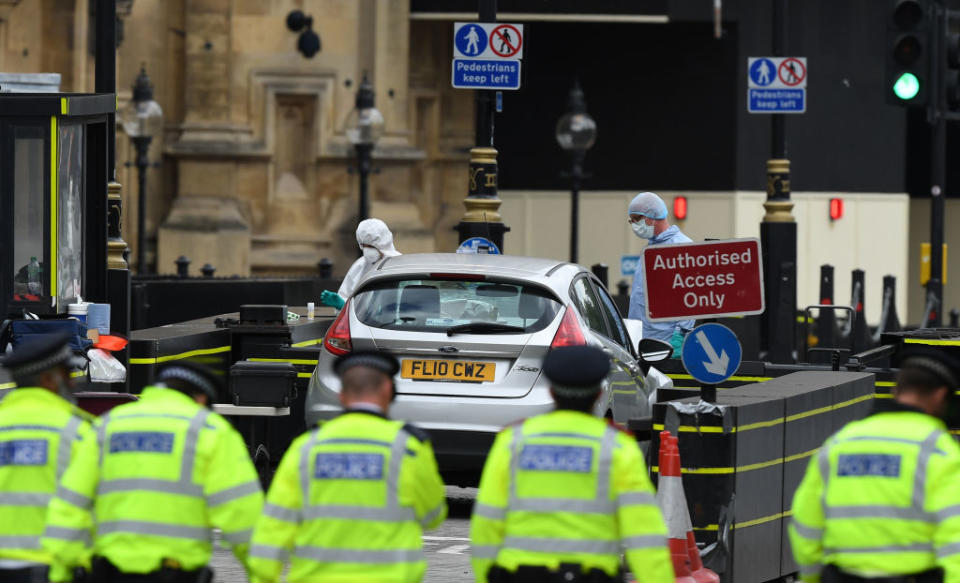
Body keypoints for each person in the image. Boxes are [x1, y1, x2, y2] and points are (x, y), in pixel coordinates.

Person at [42, 361, 263, 583]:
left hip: (107, 572)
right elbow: (243, 517)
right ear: (201, 399)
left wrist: (62, 572)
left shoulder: (107, 426)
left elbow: (69, 506)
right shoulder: (211, 432)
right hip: (177, 574)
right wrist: (262, 576)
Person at [470, 345, 675, 583]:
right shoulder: (617, 448)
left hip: (519, 575)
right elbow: (644, 534)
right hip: (592, 576)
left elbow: (486, 522)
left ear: (552, 392)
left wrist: (487, 575)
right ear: (599, 393)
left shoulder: (512, 441)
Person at [248, 351, 447, 583]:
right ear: (388, 391)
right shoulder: (408, 448)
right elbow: (433, 516)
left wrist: (263, 576)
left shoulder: (307, 447)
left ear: (342, 395)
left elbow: (274, 526)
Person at [789, 349, 960, 583]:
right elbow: (955, 539)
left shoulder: (840, 444)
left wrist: (812, 577)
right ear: (941, 396)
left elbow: (806, 523)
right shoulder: (939, 452)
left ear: (895, 391)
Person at [0, 333, 93, 583]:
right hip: (52, 569)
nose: (72, 383)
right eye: (67, 375)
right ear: (49, 380)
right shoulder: (79, 433)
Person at [626, 192, 695, 349]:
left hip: (667, 341)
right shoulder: (650, 248)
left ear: (649, 217)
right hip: (642, 339)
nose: (633, 225)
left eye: (635, 220)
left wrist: (679, 336)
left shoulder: (682, 247)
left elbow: (691, 297)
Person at [320, 218, 401, 310]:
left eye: (371, 246)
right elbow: (347, 296)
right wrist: (342, 304)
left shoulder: (400, 264)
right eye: (363, 245)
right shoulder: (360, 266)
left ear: (383, 243)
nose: (367, 251)